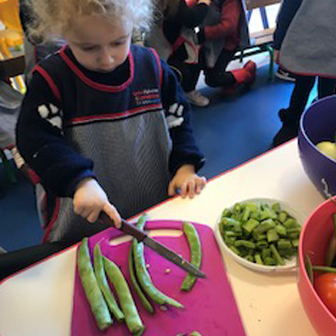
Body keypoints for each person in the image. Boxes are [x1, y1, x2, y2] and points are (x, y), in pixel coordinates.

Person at [16, 0, 207, 244]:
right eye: (88, 47)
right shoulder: (51, 80)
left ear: (134, 27)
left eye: (118, 42)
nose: (107, 59)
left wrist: (185, 166)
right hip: (83, 224)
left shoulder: (153, 67)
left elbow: (178, 120)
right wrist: (79, 180)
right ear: (63, 33)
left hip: (153, 211)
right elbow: (36, 140)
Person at [272, 0, 336, 147]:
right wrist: (279, 42)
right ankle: (292, 121)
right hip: (306, 42)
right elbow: (289, 7)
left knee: (328, 90)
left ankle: (326, 125)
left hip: (332, 46)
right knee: (303, 83)